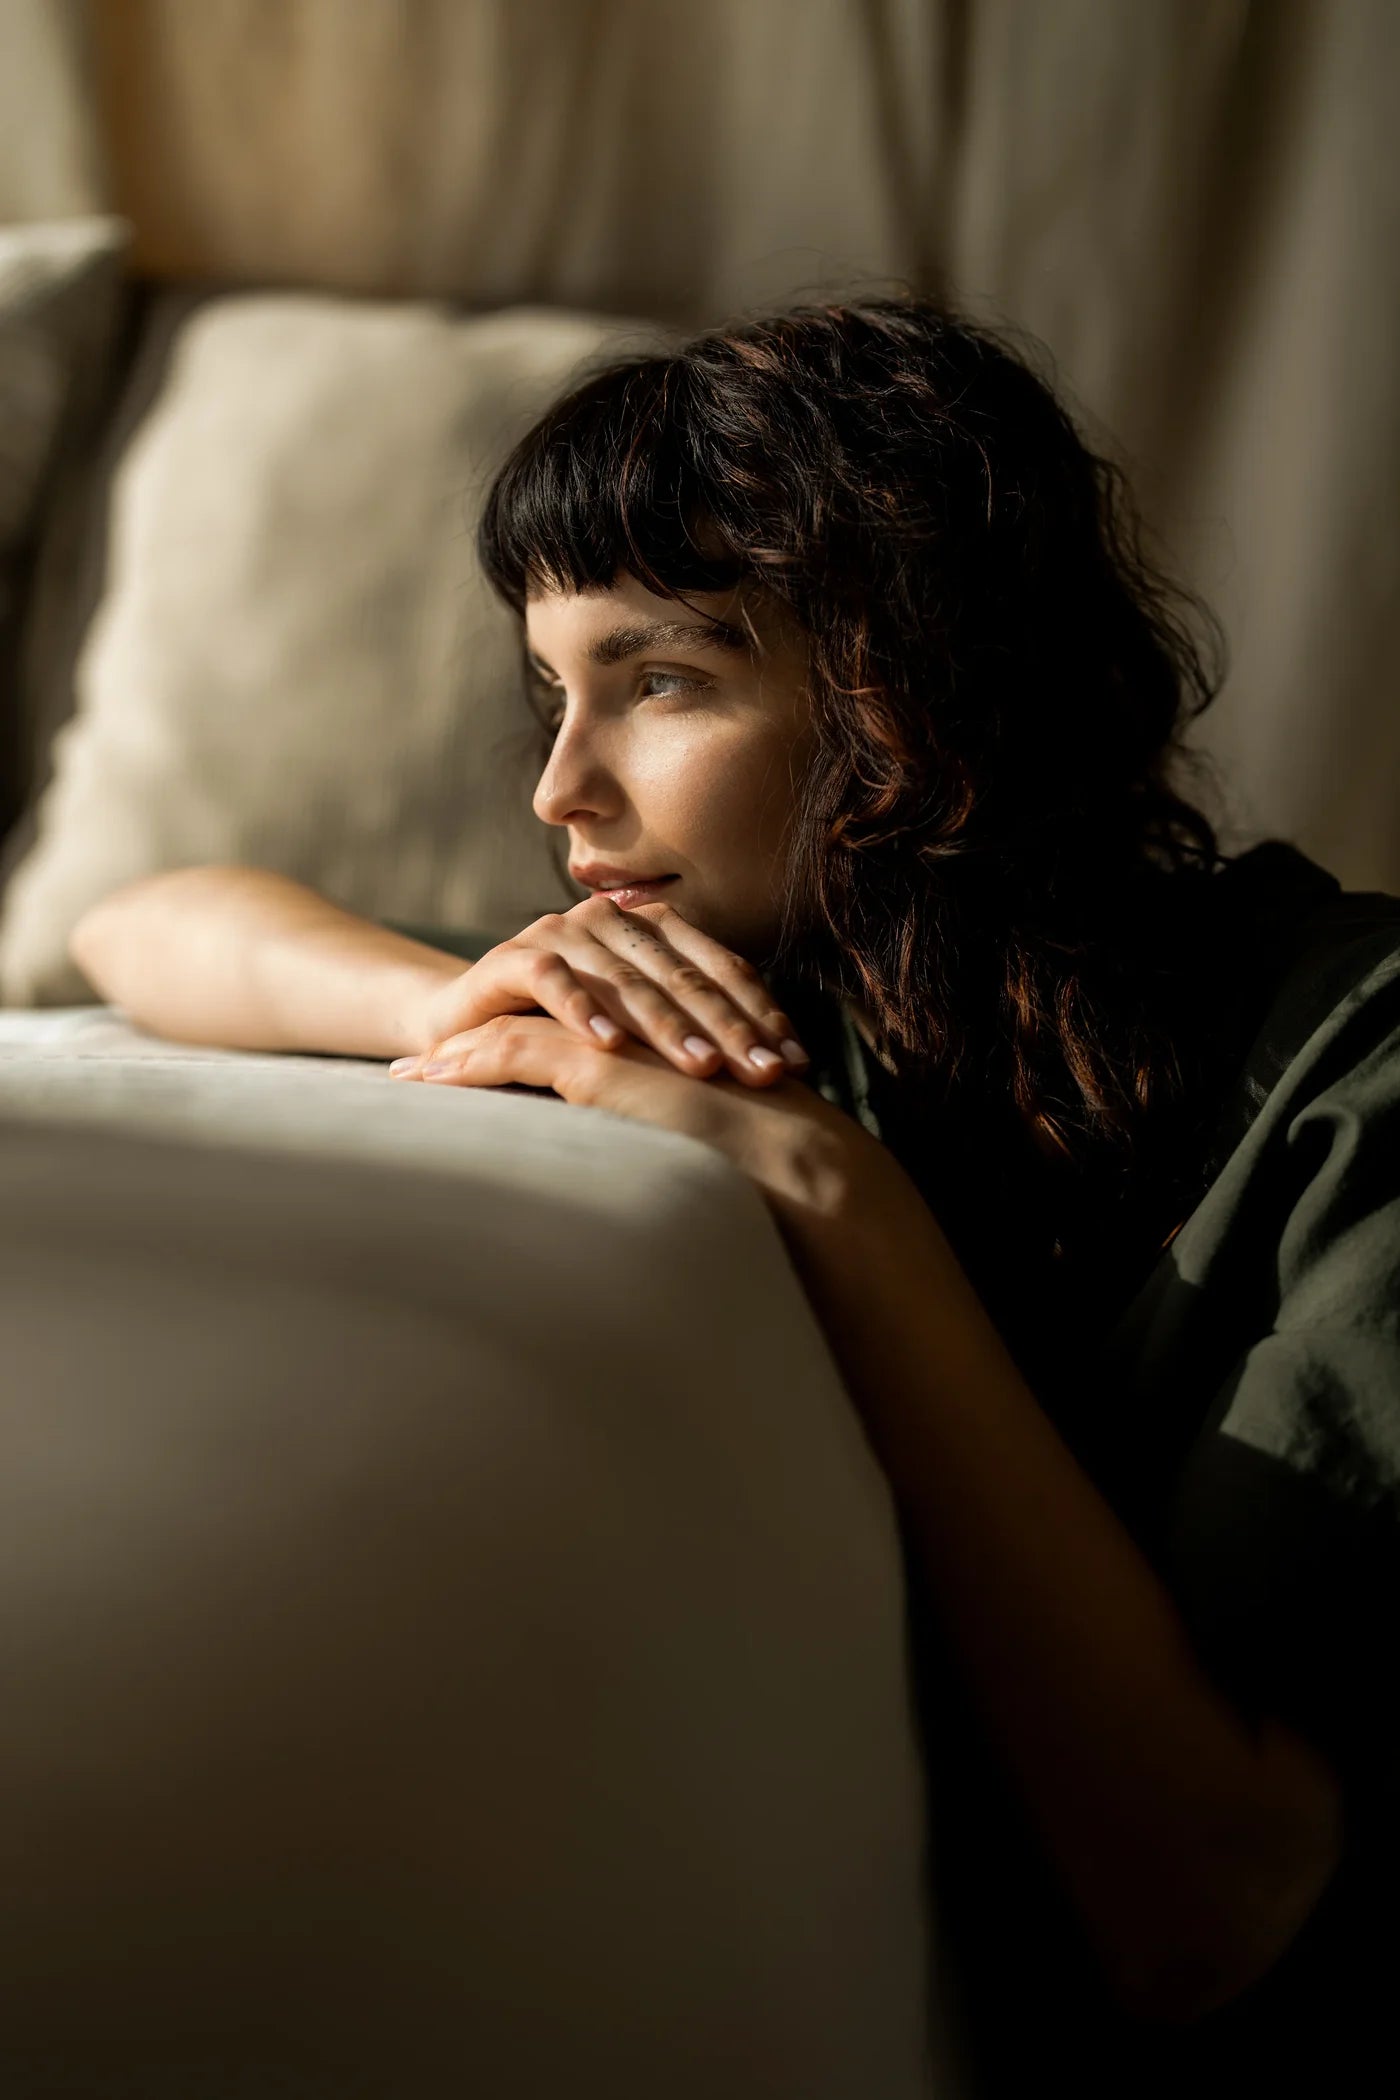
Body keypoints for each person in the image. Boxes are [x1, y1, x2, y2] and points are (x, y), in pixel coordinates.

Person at [70, 295, 1400, 2094]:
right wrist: (453, 995)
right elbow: (137, 927)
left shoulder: (1356, 1064)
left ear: (917, 685)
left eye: (661, 681)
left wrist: (833, 1202)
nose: (560, 789)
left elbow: (1205, 1910)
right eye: (553, 694)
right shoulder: (771, 985)